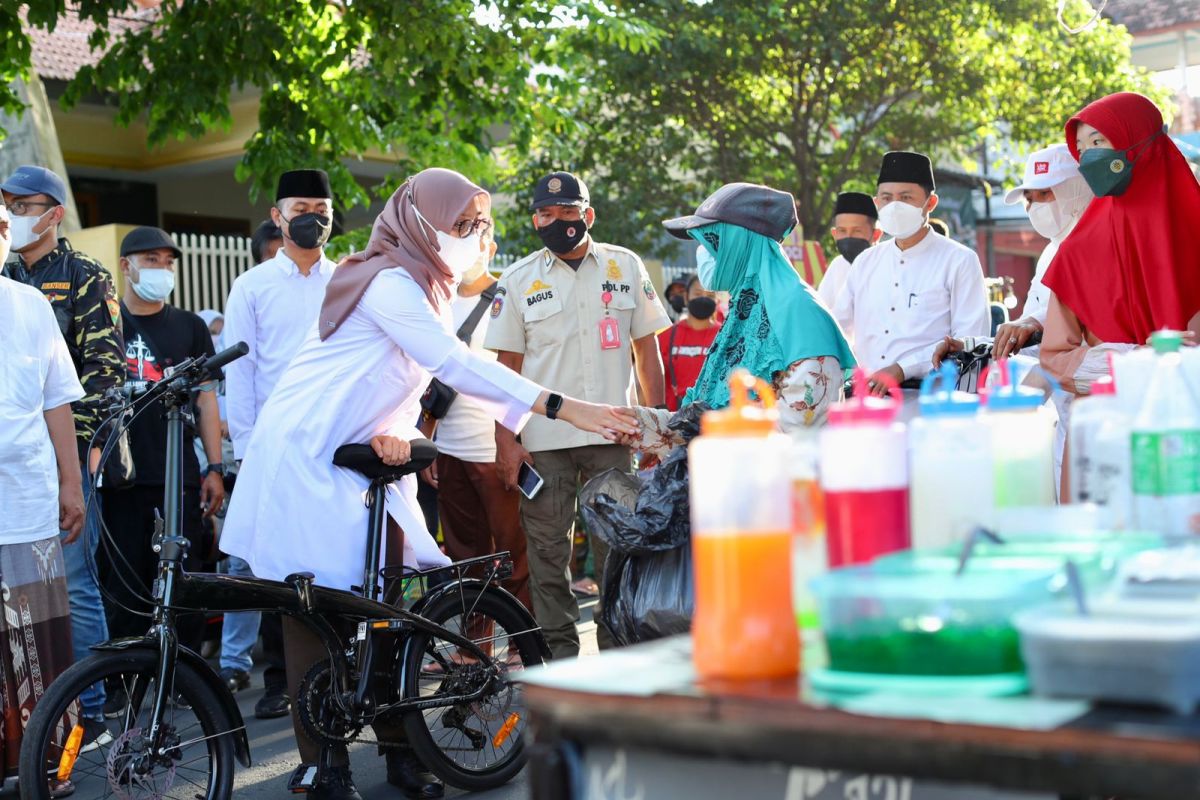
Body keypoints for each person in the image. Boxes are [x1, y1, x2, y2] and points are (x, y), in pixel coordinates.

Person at [219, 168, 640, 800]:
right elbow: (451, 364)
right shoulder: (389, 281)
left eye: (480, 226)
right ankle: (321, 766)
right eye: (462, 226)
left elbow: (389, 377)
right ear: (420, 222)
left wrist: (399, 430)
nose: (472, 237)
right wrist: (566, 407)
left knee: (388, 608)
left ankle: (401, 754)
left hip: (365, 462)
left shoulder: (422, 285)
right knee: (315, 612)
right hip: (308, 460)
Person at [485, 170, 670, 660]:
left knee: (617, 555)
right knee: (547, 557)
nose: (557, 221)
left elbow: (646, 353)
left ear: (587, 215)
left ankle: (617, 659)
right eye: (546, 213)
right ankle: (561, 665)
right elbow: (508, 370)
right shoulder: (519, 279)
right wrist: (505, 441)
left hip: (615, 437)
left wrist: (658, 431)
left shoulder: (624, 266)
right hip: (543, 445)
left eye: (568, 211)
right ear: (535, 219)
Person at [0, 164, 121, 729]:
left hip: (69, 458)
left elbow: (103, 377)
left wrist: (84, 465)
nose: (16, 216)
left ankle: (91, 707)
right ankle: (35, 718)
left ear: (54, 213)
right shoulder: (6, 276)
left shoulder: (84, 276)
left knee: (73, 586)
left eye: (26, 206)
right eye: (9, 205)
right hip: (17, 469)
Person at [219, 169, 336, 717]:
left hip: (334, 444)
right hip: (270, 447)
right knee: (270, 565)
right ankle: (279, 678)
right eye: (301, 206)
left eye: (322, 206)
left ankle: (339, 668)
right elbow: (239, 376)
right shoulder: (252, 286)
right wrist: (245, 447)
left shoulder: (347, 281)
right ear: (278, 216)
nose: (313, 215)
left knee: (331, 561)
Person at [98, 227, 225, 689]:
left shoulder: (190, 327)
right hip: (120, 477)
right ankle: (124, 683)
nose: (161, 269)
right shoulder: (104, 325)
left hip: (180, 475)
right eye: (150, 259)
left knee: (183, 581)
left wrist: (214, 467)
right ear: (126, 265)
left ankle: (182, 682)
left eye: (167, 262)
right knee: (124, 581)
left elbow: (207, 399)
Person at [0, 203, 90, 790]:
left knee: (39, 641)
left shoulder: (30, 304)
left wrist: (71, 481)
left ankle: (48, 766)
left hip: (27, 500)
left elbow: (59, 399)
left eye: (5, 226)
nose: (4, 234)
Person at [655, 181, 855, 433]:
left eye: (712, 242)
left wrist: (716, 428)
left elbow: (805, 413)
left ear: (739, 243)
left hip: (781, 469)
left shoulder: (799, 309)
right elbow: (705, 410)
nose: (703, 253)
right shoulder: (744, 306)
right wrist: (642, 424)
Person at [1041, 92, 1200, 395]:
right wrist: (1135, 360)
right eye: (1080, 148)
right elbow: (1055, 358)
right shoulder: (1078, 251)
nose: (1088, 157)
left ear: (1142, 139)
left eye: (1097, 142)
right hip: (1114, 423)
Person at [419, 231, 531, 610]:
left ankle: (523, 641)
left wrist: (512, 443)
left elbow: (520, 376)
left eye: (477, 243)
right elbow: (427, 379)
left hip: (494, 448)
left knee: (513, 549)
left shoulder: (508, 298)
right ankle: (475, 639)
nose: (467, 254)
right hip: (448, 448)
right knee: (464, 554)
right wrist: (428, 441)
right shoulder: (438, 302)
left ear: (491, 249)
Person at [833, 151, 990, 403]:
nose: (895, 206)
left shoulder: (959, 260)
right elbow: (838, 329)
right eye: (887, 198)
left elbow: (973, 344)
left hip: (931, 405)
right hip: (868, 406)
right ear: (876, 203)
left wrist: (903, 368)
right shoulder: (865, 262)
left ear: (930, 203)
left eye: (906, 198)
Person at [658, 274, 722, 411]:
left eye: (710, 296)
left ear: (717, 301)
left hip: (715, 420)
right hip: (674, 420)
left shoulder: (726, 338)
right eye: (698, 294)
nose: (703, 299)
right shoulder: (665, 336)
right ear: (686, 297)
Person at [817, 191, 880, 309]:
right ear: (834, 234)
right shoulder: (838, 265)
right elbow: (822, 310)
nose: (849, 237)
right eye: (842, 231)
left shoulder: (888, 264)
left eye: (857, 231)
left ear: (876, 234)